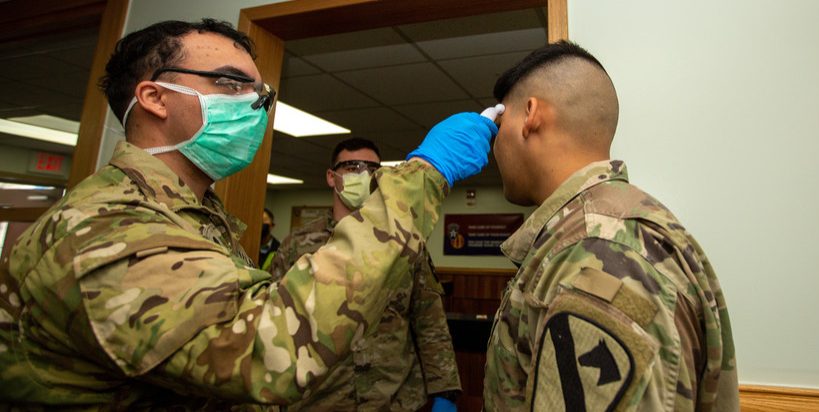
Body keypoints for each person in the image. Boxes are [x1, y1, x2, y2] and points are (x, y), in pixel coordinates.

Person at [0, 19, 498, 409]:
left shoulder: (192, 218)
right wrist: (424, 174)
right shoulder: (105, 227)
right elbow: (268, 352)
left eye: (259, 94)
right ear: (154, 97)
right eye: (229, 84)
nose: (254, 106)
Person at [483, 41, 738, 411]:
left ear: (531, 114)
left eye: (499, 123)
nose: (495, 143)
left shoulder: (600, 251)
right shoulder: (603, 232)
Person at [270, 138, 461, 411]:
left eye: (373, 168)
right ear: (331, 176)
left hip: (395, 399)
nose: (363, 175)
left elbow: (429, 320)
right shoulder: (296, 246)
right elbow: (277, 323)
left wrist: (445, 390)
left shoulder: (404, 243)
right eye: (352, 167)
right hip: (321, 400)